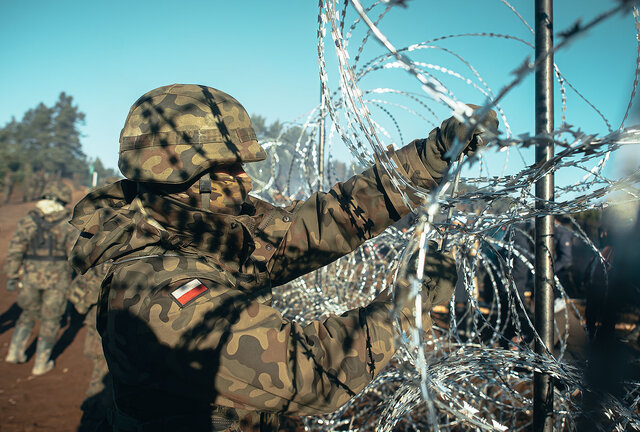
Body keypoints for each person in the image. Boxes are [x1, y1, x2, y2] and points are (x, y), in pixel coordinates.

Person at [69, 84, 497, 432]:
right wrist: (407, 305)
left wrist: (433, 155)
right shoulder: (159, 290)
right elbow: (308, 374)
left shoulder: (201, 237)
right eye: (228, 167)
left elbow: (327, 222)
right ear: (181, 177)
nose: (243, 176)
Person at [4, 181, 77, 375]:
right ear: (63, 200)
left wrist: (12, 274)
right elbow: (74, 255)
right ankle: (40, 364)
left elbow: (15, 249)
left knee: (27, 313)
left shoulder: (28, 220)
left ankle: (14, 353)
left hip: (30, 277)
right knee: (51, 320)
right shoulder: (68, 223)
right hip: (57, 280)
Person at [68, 262, 113, 431]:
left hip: (106, 331)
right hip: (110, 334)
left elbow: (79, 298)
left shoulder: (109, 251)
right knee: (104, 388)